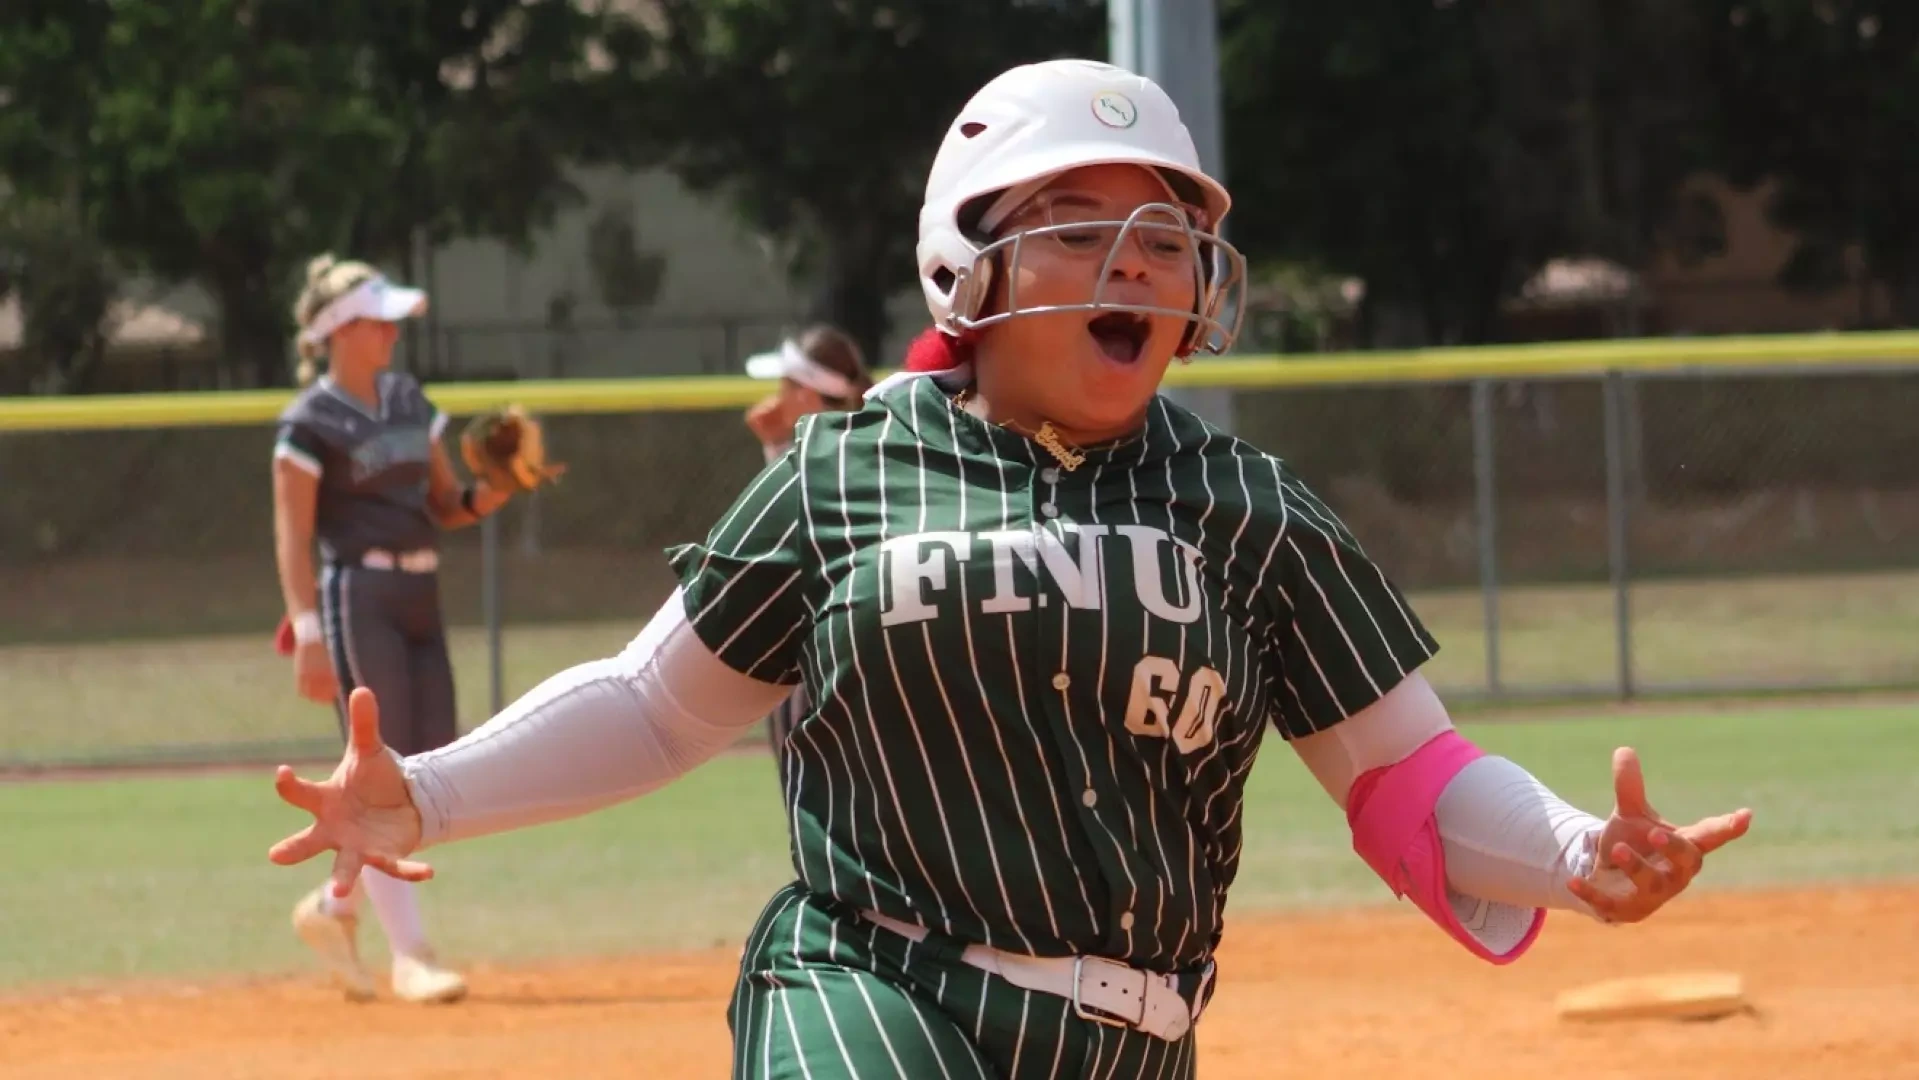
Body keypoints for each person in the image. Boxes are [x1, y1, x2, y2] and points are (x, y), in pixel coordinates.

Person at [267, 61, 1753, 1076]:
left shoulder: (1248, 511)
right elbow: (661, 709)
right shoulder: (844, 472)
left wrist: (1570, 854)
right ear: (961, 266)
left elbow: (1405, 777)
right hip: (870, 988)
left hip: (1128, 1036)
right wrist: (430, 790)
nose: (1134, 264)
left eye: (1165, 238)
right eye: (1074, 228)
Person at [270, 253, 516, 1004]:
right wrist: (308, 629)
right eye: (378, 321)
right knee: (380, 764)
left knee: (423, 765)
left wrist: (498, 490)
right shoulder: (309, 421)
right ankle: (412, 953)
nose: (391, 333)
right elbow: (292, 532)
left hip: (420, 588)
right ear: (341, 330)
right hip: (359, 590)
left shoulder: (409, 398)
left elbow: (445, 503)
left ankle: (332, 909)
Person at [738, 326, 873, 758]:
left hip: (816, 664)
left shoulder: (820, 461)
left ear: (806, 395)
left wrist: (777, 450)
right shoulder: (869, 444)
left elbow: (777, 545)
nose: (776, 396)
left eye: (786, 385)